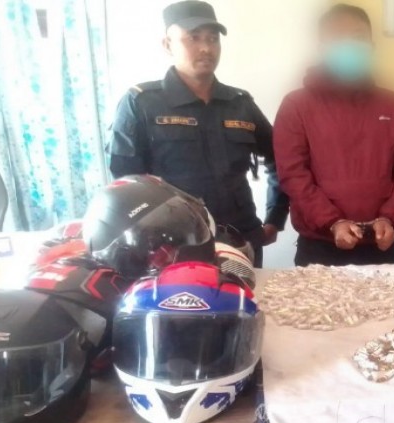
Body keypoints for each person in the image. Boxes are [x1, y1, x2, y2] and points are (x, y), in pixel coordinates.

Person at [108, 0, 288, 267]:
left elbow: (281, 159)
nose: (206, 48)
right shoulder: (141, 103)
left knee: (248, 295)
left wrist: (275, 217)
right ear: (168, 44)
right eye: (193, 38)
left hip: (241, 238)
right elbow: (126, 185)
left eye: (213, 39)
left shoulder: (240, 103)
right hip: (174, 246)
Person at [273, 3, 394, 267]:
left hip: (383, 244)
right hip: (320, 246)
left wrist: (390, 217)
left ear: (371, 47)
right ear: (323, 48)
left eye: (357, 38)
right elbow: (293, 174)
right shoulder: (296, 105)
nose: (349, 47)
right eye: (338, 39)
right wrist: (332, 222)